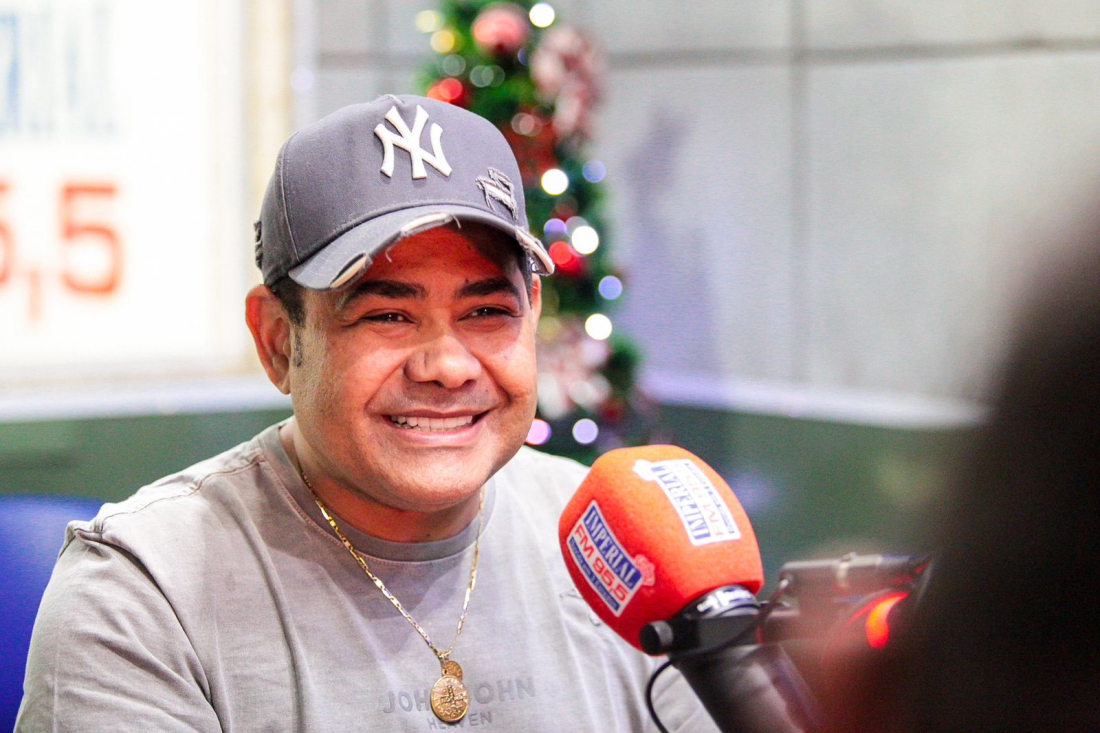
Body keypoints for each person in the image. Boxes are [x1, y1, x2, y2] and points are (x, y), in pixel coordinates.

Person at [17, 95, 715, 731]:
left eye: (485, 311)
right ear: (279, 340)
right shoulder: (144, 593)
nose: (447, 366)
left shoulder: (618, 543)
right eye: (387, 315)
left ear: (532, 316)